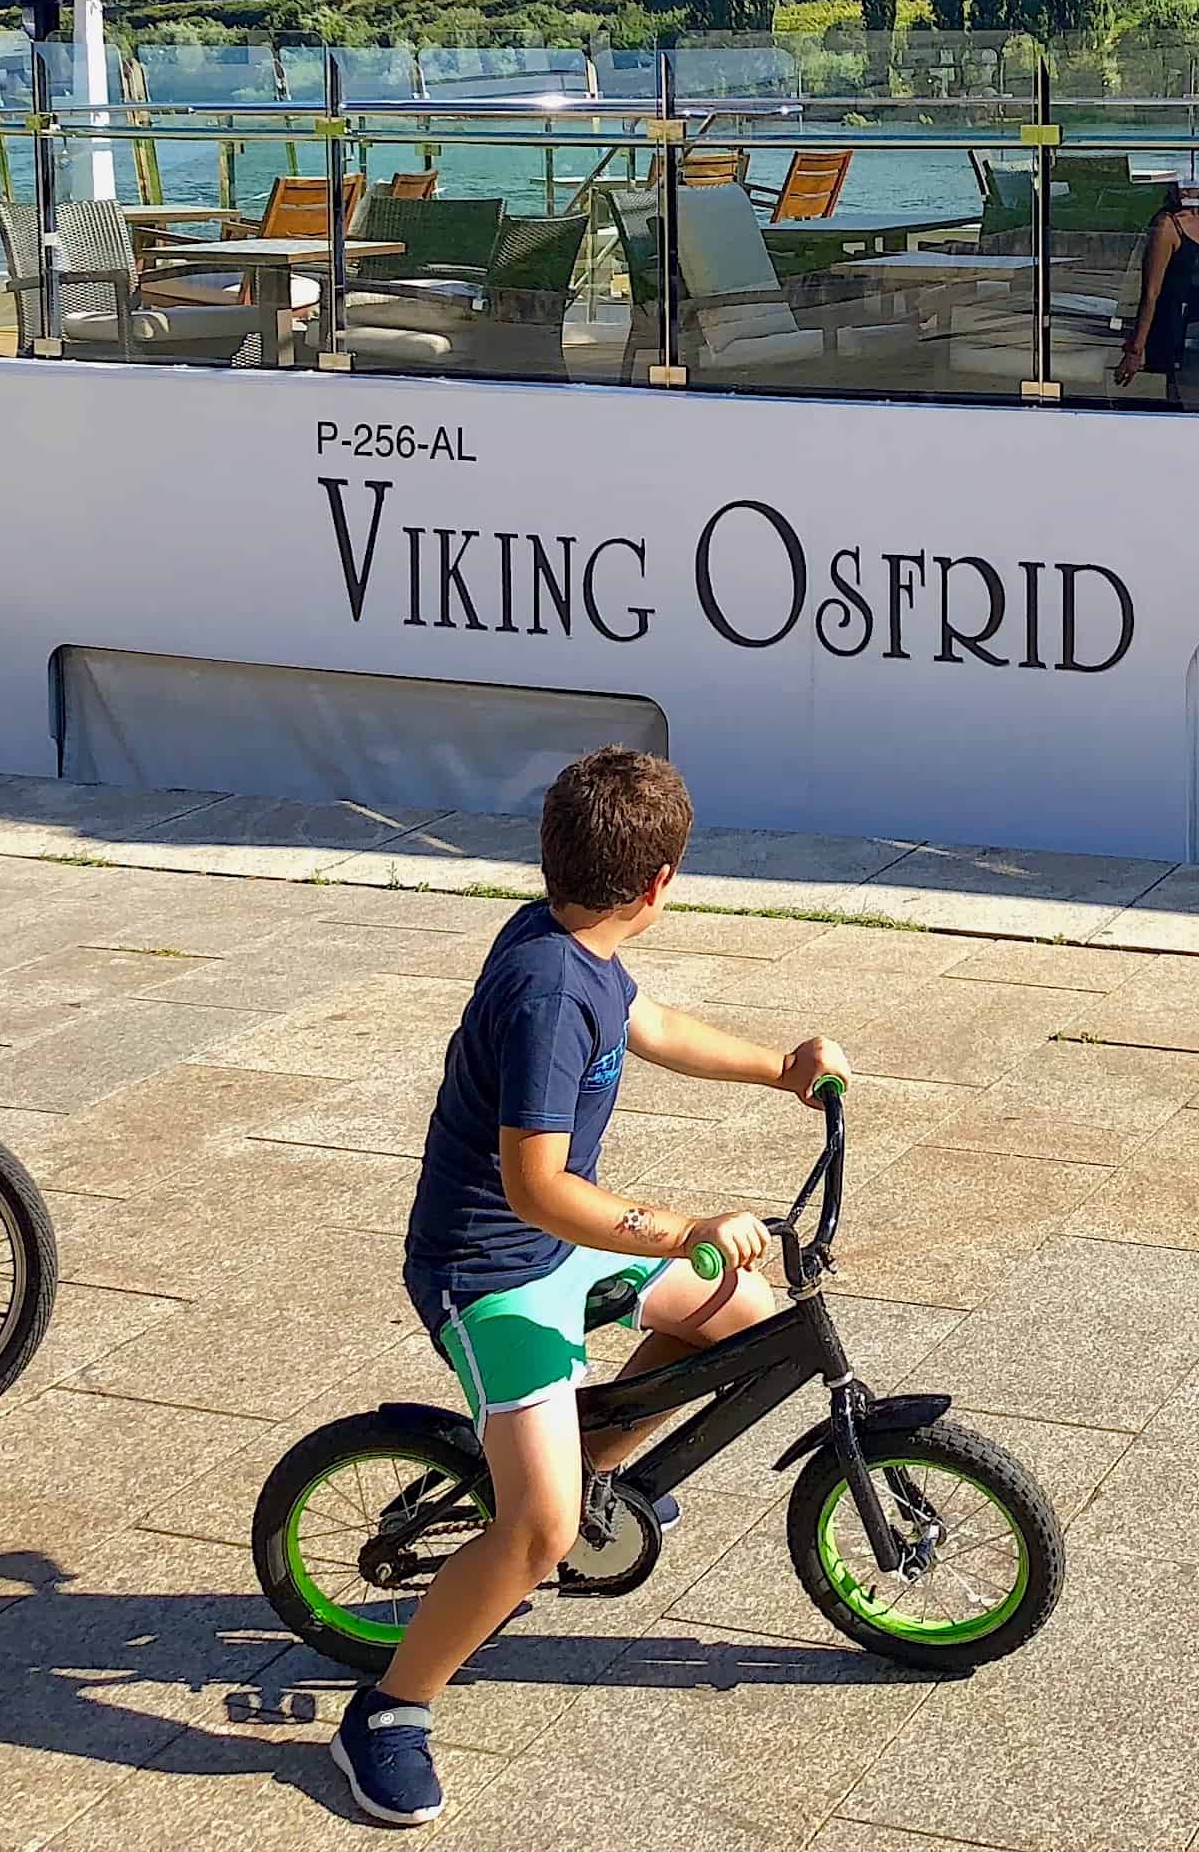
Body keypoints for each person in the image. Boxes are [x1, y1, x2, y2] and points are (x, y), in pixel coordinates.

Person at [339, 748, 849, 1828]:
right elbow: (536, 1189)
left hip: (557, 1244)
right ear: (661, 882)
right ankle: (388, 1712)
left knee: (741, 1316)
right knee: (534, 1532)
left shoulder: (575, 946)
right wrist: (685, 1229)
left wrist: (780, 1070)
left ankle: (593, 1473)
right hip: (490, 1275)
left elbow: (649, 1026)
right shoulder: (546, 993)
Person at [1114, 181, 1199, 408]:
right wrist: (1136, 349)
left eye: (1189, 182)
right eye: (1177, 183)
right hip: (1180, 331)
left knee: (1182, 406)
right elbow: (1151, 292)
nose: (1182, 189)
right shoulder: (1166, 226)